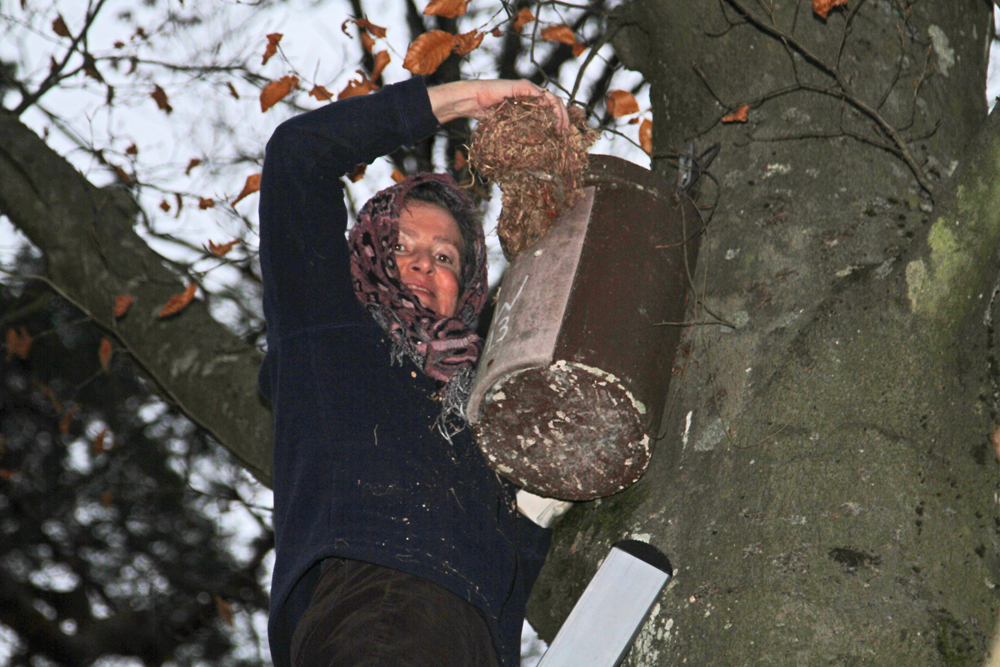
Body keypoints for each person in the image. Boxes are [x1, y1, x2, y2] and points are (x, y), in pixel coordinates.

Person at [257, 76, 569, 667]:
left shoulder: (482, 394)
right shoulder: (326, 325)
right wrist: (465, 100)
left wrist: (530, 519)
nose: (425, 261)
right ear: (369, 252)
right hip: (372, 603)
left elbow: (507, 560)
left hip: (478, 639)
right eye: (402, 245)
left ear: (468, 288)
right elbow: (299, 156)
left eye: (447, 256)